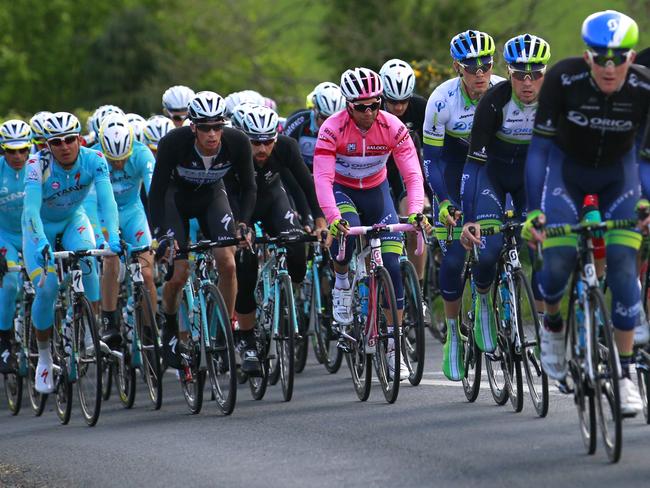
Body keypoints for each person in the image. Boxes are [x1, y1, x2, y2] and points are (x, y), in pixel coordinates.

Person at [523, 10, 650, 415]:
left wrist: (647, 201)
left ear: (631, 58)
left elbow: (645, 156)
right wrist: (533, 211)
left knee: (624, 265)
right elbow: (540, 150)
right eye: (600, 58)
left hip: (620, 176)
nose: (608, 68)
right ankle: (554, 327)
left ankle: (626, 373)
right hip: (567, 174)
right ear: (586, 55)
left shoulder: (645, 88)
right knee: (557, 262)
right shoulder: (563, 78)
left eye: (618, 58)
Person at [314, 67, 427, 378]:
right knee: (346, 234)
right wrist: (333, 217)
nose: (369, 112)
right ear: (349, 105)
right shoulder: (332, 129)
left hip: (377, 192)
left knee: (392, 263)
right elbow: (322, 178)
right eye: (361, 106)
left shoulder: (392, 126)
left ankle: (394, 347)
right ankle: (341, 284)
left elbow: (412, 174)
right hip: (342, 190)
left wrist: (416, 210)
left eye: (375, 104)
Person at [456, 34, 551, 380]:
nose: (528, 82)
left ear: (545, 73)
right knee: (490, 246)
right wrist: (469, 220)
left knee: (543, 247)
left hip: (530, 180)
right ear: (508, 73)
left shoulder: (553, 102)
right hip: (492, 178)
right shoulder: (493, 102)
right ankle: (482, 301)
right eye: (520, 74)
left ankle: (545, 329)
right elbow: (473, 166)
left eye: (536, 73)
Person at [148, 91, 260, 373]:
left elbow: (248, 187)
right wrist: (161, 234)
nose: (213, 134)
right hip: (177, 199)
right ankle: (171, 329)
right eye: (206, 128)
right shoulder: (173, 143)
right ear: (193, 126)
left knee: (228, 262)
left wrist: (244, 223)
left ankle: (223, 334)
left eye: (218, 127)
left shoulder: (236, 141)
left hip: (212, 195)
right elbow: (158, 191)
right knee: (179, 272)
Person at [422, 30, 505, 379]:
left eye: (485, 65)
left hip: (491, 169)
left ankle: (484, 301)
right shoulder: (441, 101)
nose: (480, 75)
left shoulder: (505, 92)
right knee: (454, 256)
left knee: (489, 248)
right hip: (452, 171)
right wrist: (444, 202)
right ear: (457, 67)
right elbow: (432, 160)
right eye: (471, 68)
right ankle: (453, 334)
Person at [22, 112, 121, 393]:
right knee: (47, 287)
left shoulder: (95, 160)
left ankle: (91, 332)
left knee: (89, 260)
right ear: (47, 146)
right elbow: (30, 210)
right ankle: (43, 359)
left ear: (79, 139)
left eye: (69, 140)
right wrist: (40, 241)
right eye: (56, 142)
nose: (64, 147)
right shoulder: (36, 165)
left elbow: (107, 200)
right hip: (38, 228)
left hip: (72, 221)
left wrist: (112, 236)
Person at [96, 113, 156, 347]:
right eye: (113, 160)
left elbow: (154, 194)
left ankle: (150, 328)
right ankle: (109, 321)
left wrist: (161, 231)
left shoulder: (142, 154)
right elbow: (90, 202)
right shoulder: (93, 156)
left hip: (132, 212)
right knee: (110, 258)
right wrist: (100, 237)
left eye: (123, 158)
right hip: (103, 213)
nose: (119, 164)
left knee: (147, 272)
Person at [0, 120, 32, 372]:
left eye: (23, 150)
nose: (18, 156)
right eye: (12, 151)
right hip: (5, 237)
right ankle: (5, 341)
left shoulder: (39, 167)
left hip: (31, 233)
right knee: (10, 282)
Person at [283, 82, 346, 168]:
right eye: (324, 117)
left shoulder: (347, 126)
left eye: (335, 119)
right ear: (314, 109)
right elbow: (282, 152)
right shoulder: (299, 120)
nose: (329, 124)